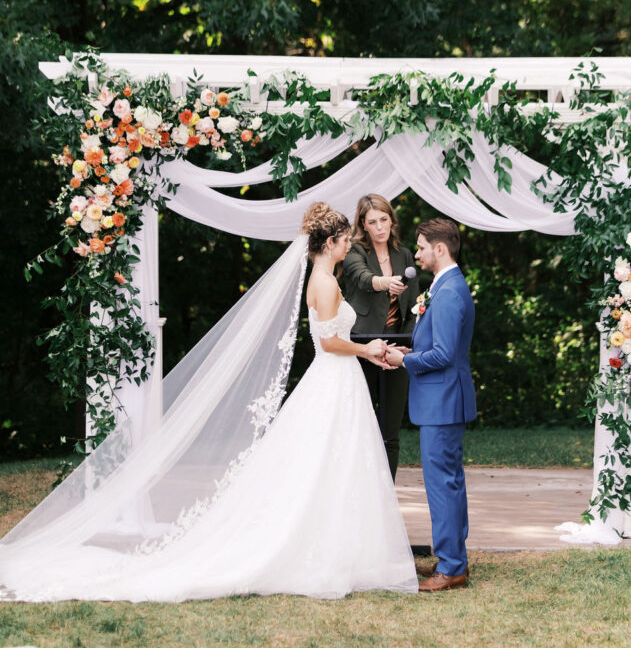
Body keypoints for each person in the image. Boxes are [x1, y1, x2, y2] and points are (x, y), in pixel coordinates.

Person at [0, 203, 418, 602]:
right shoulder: (325, 283)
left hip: (336, 380)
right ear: (330, 243)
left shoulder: (324, 280)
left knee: (335, 463)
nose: (350, 245)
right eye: (345, 239)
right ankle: (323, 553)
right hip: (333, 379)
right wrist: (367, 350)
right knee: (328, 461)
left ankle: (340, 548)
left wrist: (369, 351)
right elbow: (328, 342)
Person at [384, 218, 476, 593]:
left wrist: (404, 362)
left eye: (421, 247)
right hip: (439, 400)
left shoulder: (451, 291)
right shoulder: (442, 287)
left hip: (443, 401)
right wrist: (411, 350)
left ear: (441, 249)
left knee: (443, 485)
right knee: (446, 483)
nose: (416, 253)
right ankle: (452, 560)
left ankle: (452, 567)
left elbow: (445, 354)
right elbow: (436, 347)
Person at [343, 194, 421, 480]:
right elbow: (362, 277)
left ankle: (386, 491)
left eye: (384, 220)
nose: (379, 227)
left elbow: (415, 307)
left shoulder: (405, 255)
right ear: (363, 225)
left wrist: (407, 342)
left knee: (390, 429)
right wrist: (385, 282)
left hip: (397, 345)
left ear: (392, 220)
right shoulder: (354, 251)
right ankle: (357, 486)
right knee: (359, 421)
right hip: (362, 344)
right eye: (372, 221)